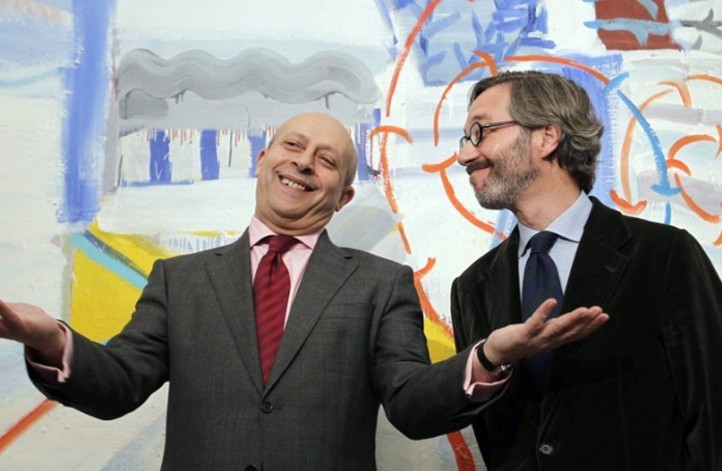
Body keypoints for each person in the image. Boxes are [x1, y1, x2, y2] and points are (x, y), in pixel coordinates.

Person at [0, 112, 607, 470]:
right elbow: (117, 385)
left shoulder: (380, 284)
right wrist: (49, 339)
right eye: (293, 146)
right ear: (264, 159)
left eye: (327, 160)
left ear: (343, 197)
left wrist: (489, 356)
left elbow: (411, 403)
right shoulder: (179, 281)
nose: (304, 163)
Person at [452, 70, 722, 470]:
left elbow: (714, 417)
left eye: (480, 132)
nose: (464, 155)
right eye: (465, 139)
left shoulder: (664, 256)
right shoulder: (471, 288)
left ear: (547, 136)